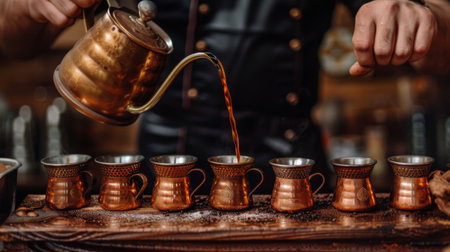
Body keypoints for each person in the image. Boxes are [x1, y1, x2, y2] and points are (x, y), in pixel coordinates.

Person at [1, 0, 449, 194]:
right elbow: (14, 40)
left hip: (291, 167)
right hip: (161, 167)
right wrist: (26, 8)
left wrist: (423, 17)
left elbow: (442, 42)